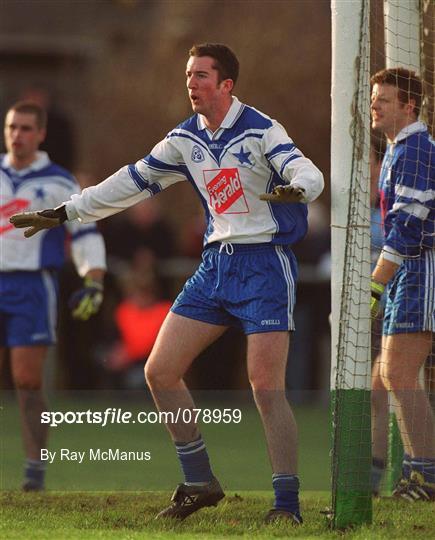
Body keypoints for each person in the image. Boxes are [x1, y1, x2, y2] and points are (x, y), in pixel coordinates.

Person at [10, 43, 324, 522]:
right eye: (188, 75)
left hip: (264, 266)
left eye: (201, 75)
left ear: (226, 85)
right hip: (214, 264)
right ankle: (199, 481)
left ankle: (286, 505)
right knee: (159, 370)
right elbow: (128, 182)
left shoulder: (262, 129)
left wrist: (298, 188)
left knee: (265, 386)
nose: (191, 83)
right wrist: (66, 211)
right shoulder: (183, 140)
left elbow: (307, 171)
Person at [0, 101, 106, 491]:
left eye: (26, 128)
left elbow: (85, 233)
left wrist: (93, 279)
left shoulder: (60, 182)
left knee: (26, 381)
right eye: (12, 127)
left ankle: (34, 473)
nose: (17, 135)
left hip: (31, 286)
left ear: (41, 134)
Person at [370, 67, 435, 501]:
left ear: (408, 107)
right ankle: (388, 479)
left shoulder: (415, 149)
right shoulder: (397, 148)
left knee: (398, 373)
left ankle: (426, 480)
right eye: (374, 98)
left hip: (418, 267)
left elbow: (409, 224)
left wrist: (376, 282)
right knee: (382, 380)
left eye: (384, 100)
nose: (374, 105)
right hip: (405, 270)